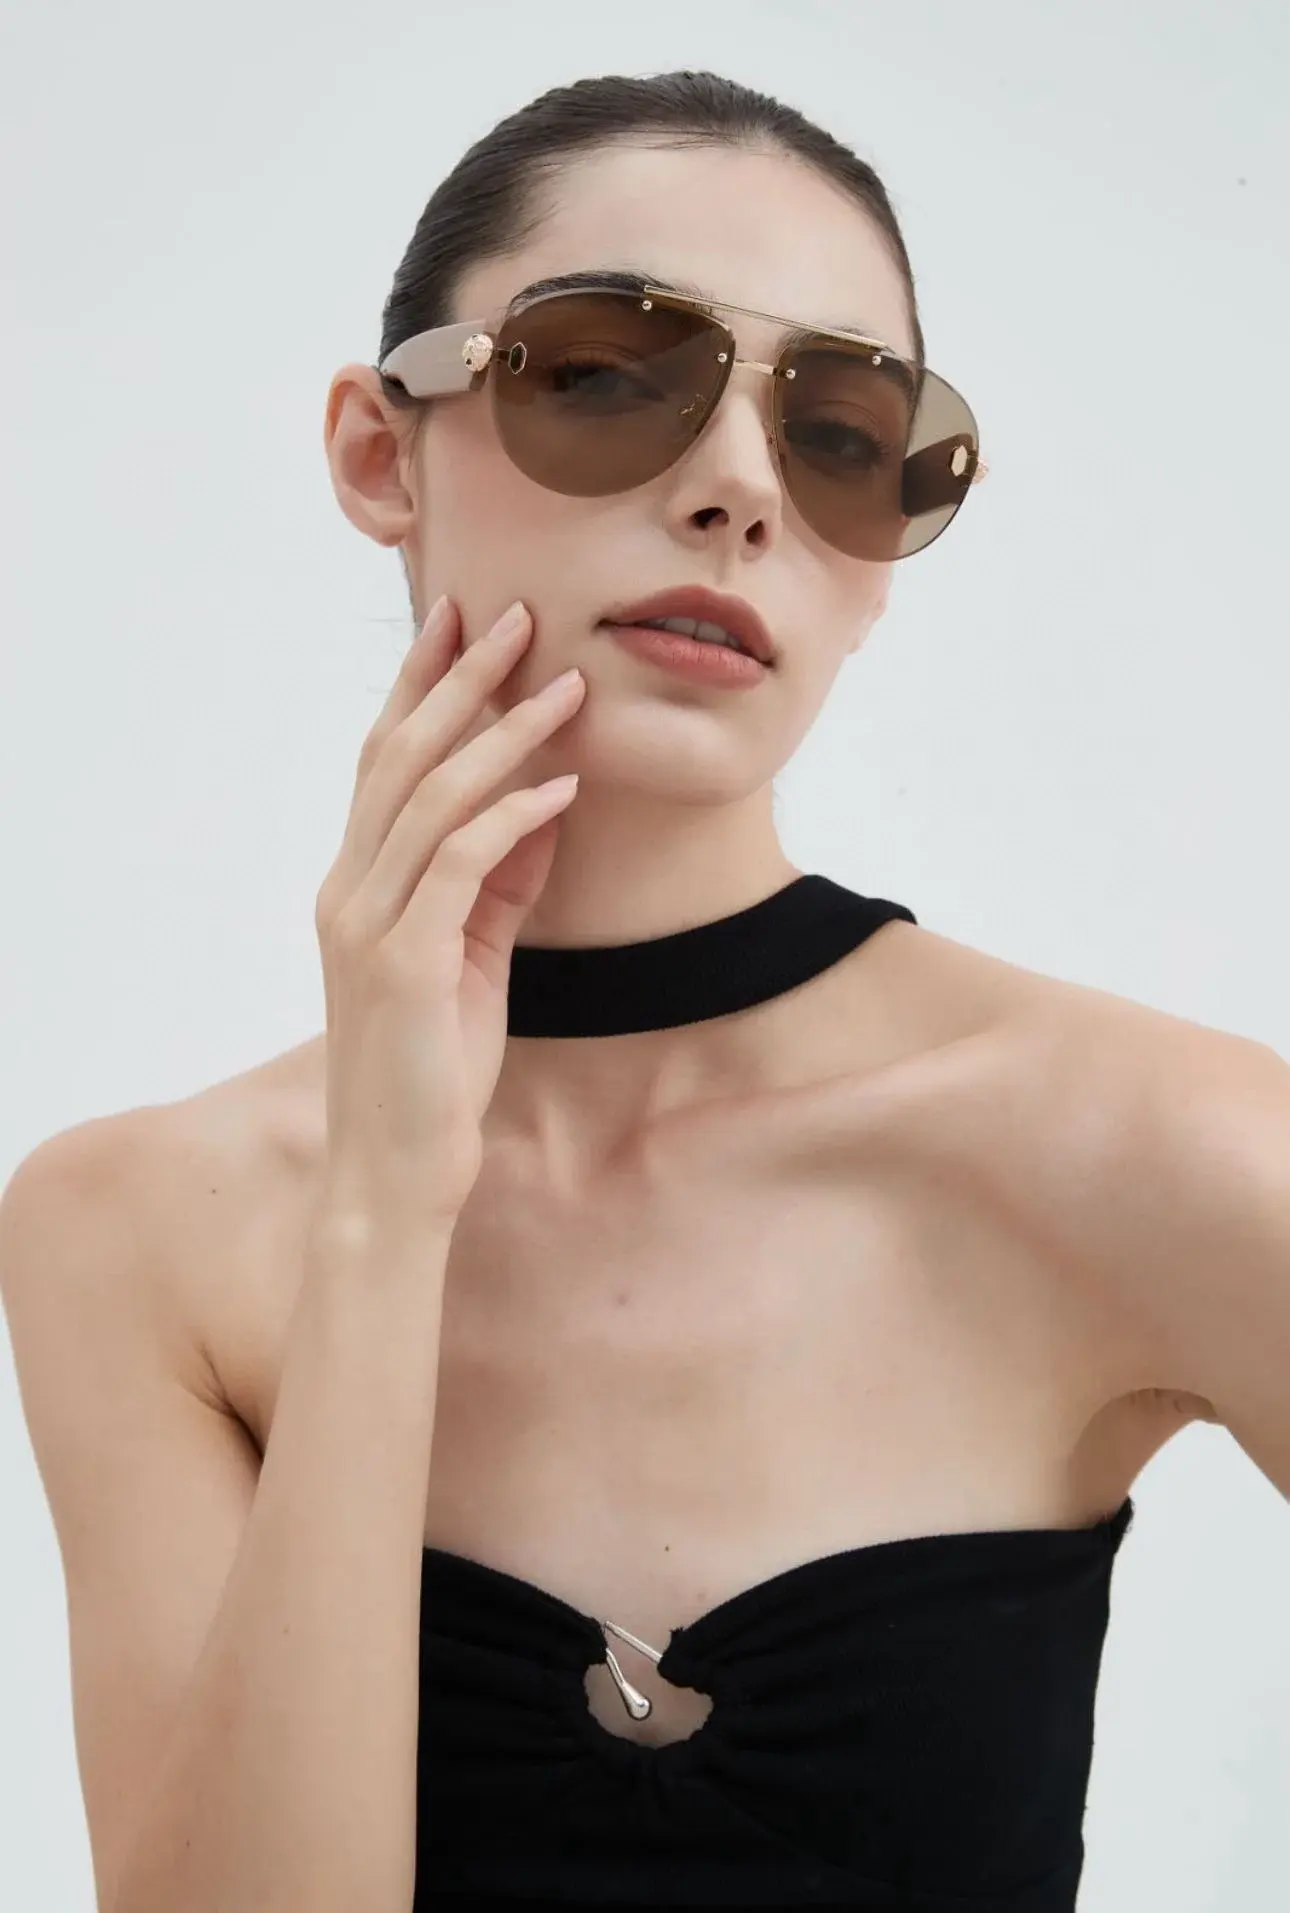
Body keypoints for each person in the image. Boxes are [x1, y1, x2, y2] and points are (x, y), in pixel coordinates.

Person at [3, 66, 1285, 1913]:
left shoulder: (1156, 1146)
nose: (741, 488)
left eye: (840, 433)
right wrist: (381, 1212)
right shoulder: (134, 1233)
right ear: (377, 452)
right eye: (605, 372)